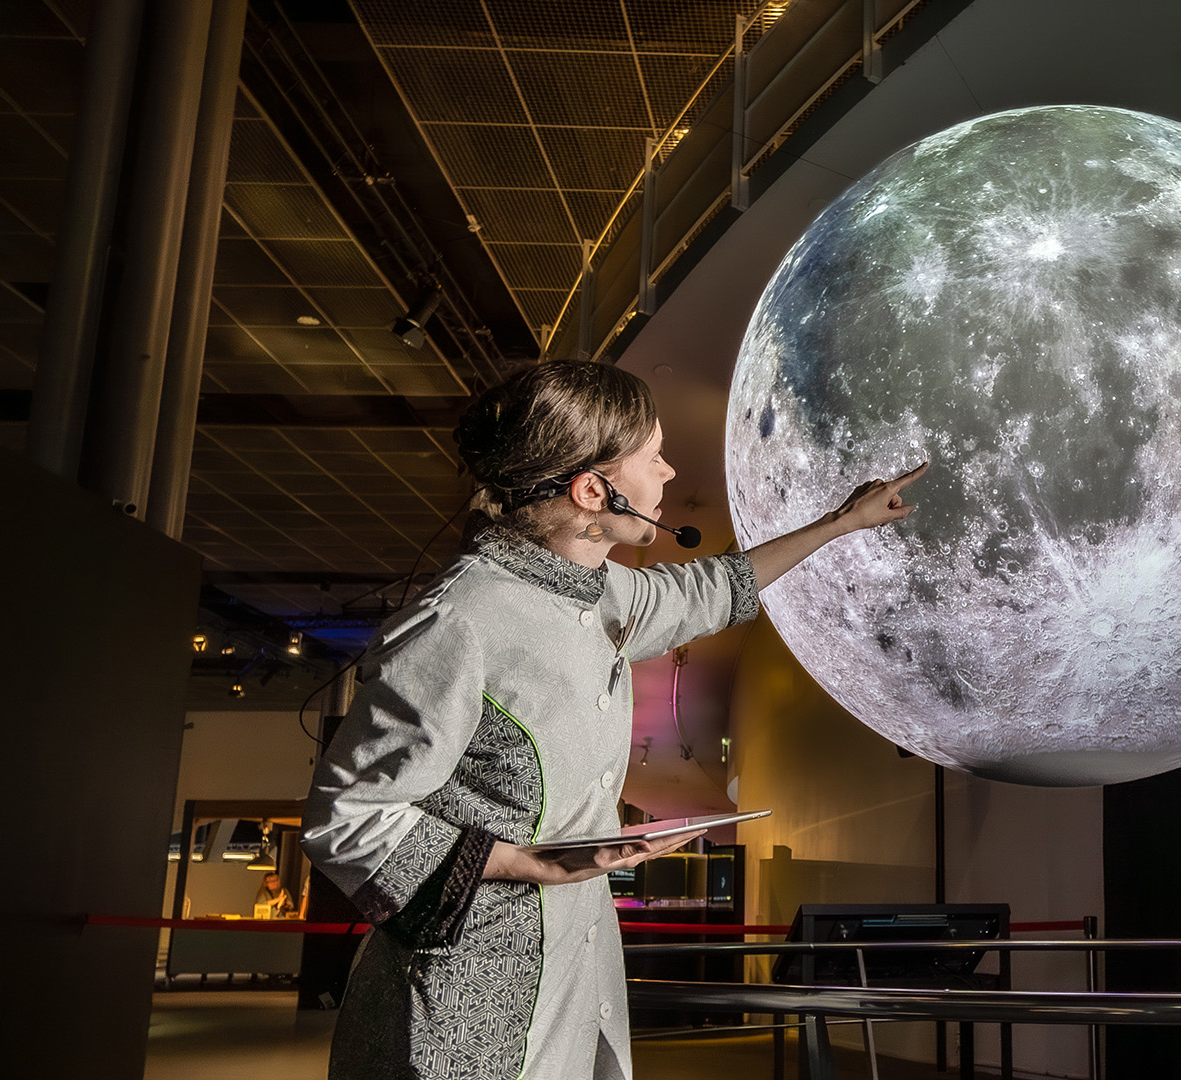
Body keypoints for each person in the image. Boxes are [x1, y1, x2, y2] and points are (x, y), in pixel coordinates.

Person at [302, 360, 924, 1080]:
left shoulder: (600, 592)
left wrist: (843, 522)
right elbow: (345, 817)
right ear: (594, 491)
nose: (669, 471)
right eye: (653, 455)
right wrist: (525, 863)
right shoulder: (458, 622)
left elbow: (710, 589)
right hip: (466, 991)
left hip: (577, 965)